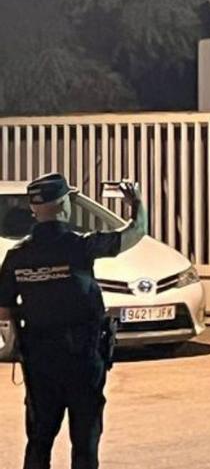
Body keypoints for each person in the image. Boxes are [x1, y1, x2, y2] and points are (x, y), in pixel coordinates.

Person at [0, 174, 145, 469]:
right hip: (83, 357)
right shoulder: (81, 246)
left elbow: (3, 310)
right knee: (85, 443)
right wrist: (137, 204)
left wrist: (21, 342)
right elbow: (135, 233)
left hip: (40, 359)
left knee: (39, 439)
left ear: (34, 209)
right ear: (64, 205)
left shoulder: (17, 256)